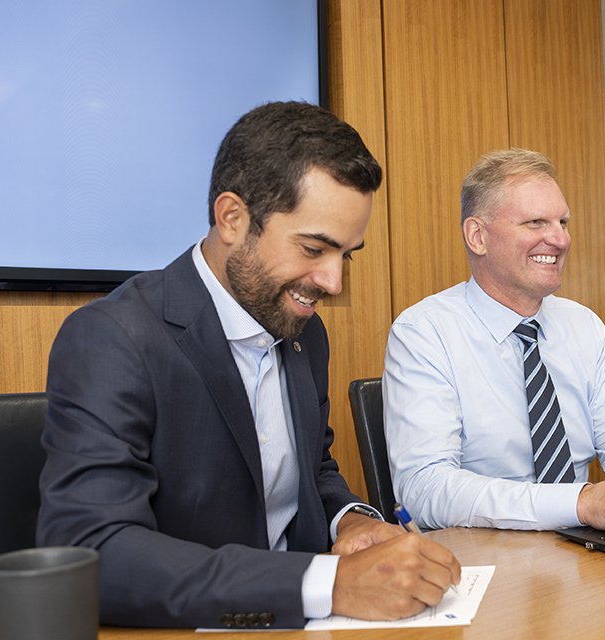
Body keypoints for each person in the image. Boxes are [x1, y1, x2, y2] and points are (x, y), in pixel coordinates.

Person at [37, 101, 460, 629]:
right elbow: (93, 553)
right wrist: (327, 584)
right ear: (233, 218)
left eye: (346, 256)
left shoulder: (304, 332)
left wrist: (350, 521)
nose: (333, 282)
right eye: (313, 249)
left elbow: (313, 469)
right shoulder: (114, 337)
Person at [383, 149, 605, 537]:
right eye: (535, 222)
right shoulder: (424, 332)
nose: (560, 239)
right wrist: (581, 503)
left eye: (563, 221)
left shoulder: (582, 325)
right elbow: (425, 490)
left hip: (584, 552)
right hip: (489, 563)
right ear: (478, 236)